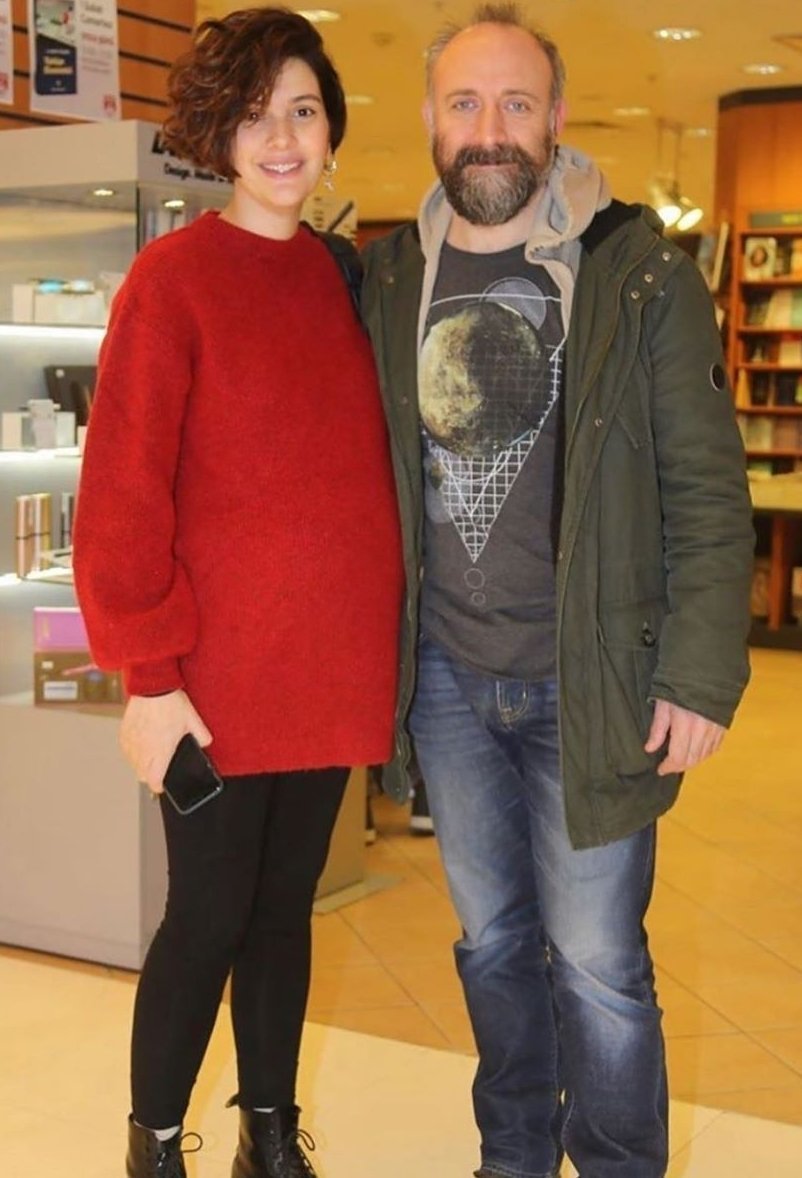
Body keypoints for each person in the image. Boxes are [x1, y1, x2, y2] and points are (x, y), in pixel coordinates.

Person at [360, 4, 754, 1177]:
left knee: (596, 961)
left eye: (515, 102)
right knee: (490, 943)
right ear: (431, 119)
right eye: (465, 103)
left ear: (556, 119)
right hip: (446, 678)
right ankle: (514, 1154)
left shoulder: (637, 273)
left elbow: (705, 487)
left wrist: (699, 673)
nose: (490, 128)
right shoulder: (389, 278)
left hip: (595, 678)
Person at [72, 9, 402, 1177]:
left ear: (331, 130)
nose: (282, 139)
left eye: (303, 112)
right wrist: (149, 676)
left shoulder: (342, 278)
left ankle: (268, 1135)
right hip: (209, 685)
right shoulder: (172, 279)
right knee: (206, 915)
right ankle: (155, 1145)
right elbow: (122, 491)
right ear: (218, 132)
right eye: (257, 115)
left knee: (282, 909)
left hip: (327, 672)